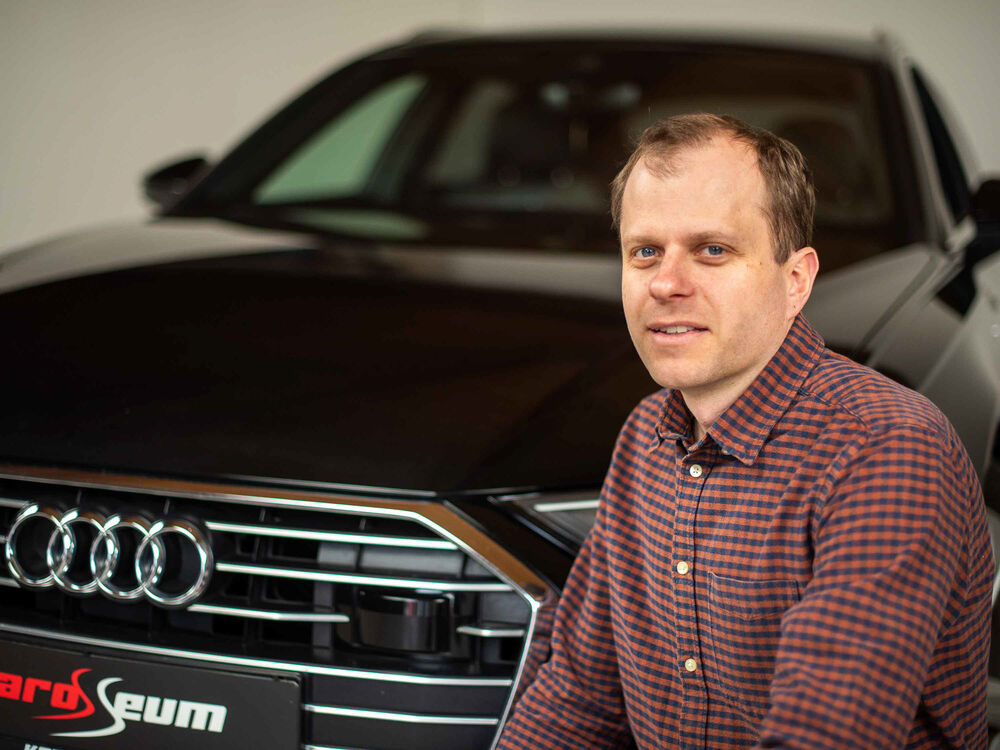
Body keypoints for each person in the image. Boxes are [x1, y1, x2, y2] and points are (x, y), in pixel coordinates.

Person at [497, 113, 992, 749]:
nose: (666, 284)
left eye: (713, 250)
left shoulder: (885, 450)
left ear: (796, 281)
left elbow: (825, 737)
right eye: (645, 251)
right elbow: (579, 697)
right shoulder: (645, 437)